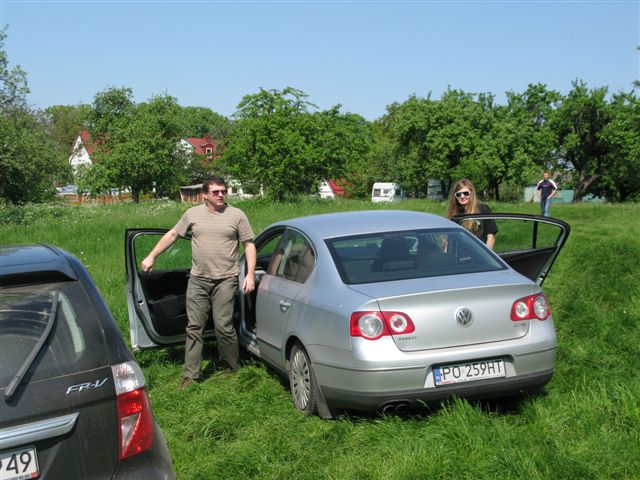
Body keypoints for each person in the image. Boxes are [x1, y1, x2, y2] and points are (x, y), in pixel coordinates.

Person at [141, 176, 256, 387]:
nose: (221, 194)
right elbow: (174, 234)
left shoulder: (237, 215)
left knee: (223, 326)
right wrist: (152, 255)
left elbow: (249, 244)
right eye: (216, 192)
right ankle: (190, 376)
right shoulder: (192, 214)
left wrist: (249, 274)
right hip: (198, 280)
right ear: (205, 195)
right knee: (194, 327)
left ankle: (231, 367)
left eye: (223, 191)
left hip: (226, 279)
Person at [445, 178, 497, 249]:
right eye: (458, 194)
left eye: (466, 193)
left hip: (478, 254)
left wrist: (486, 256)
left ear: (471, 193)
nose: (462, 196)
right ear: (455, 196)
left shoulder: (483, 209)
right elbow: (447, 240)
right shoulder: (453, 214)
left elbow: (491, 236)